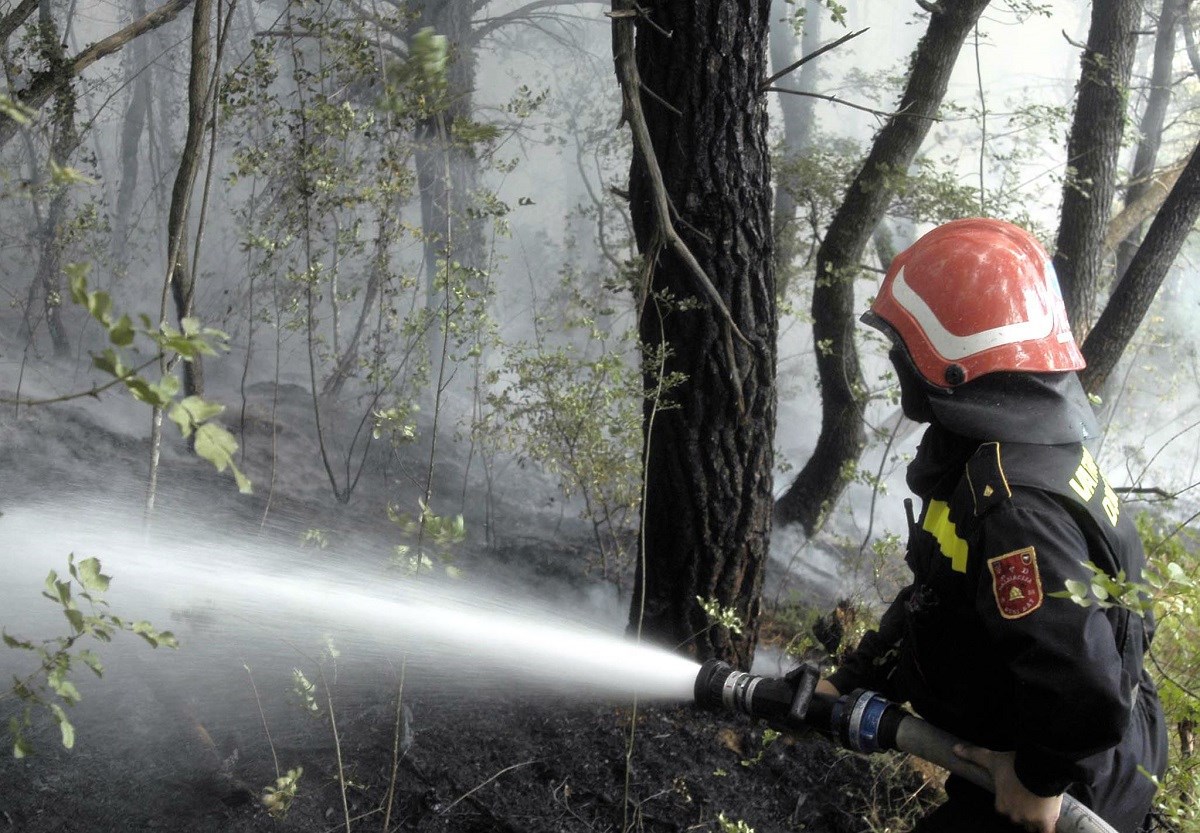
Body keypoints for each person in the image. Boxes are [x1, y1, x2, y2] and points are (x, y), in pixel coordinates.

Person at [816, 218, 1167, 833]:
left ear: (948, 364)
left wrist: (1037, 778)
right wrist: (853, 677)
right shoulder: (1000, 453)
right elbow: (941, 591)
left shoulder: (1016, 509)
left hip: (1066, 791)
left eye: (901, 349)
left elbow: (1084, 687)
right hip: (1058, 761)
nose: (896, 361)